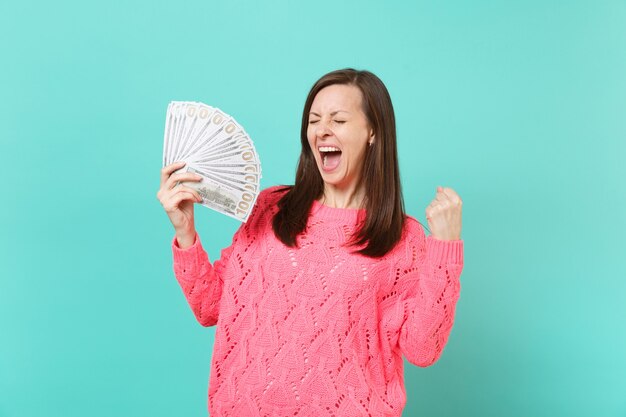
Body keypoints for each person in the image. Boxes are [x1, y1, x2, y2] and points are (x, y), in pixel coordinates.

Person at [157, 68, 464, 417]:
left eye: (339, 119)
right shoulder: (269, 208)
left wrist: (445, 250)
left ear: (372, 132)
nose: (322, 130)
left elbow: (423, 349)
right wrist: (185, 232)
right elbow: (210, 307)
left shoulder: (402, 238)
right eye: (314, 120)